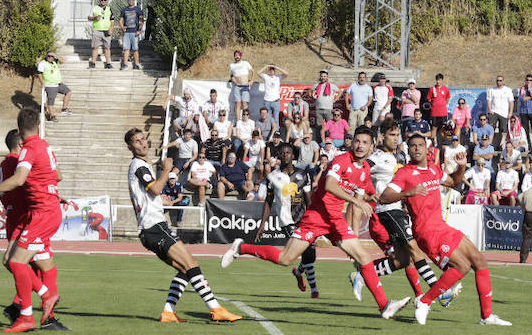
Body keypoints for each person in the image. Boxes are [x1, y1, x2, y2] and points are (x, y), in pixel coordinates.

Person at [221, 126, 411, 320]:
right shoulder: (341, 161)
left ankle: (385, 306)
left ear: (371, 147)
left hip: (335, 219)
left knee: (364, 257)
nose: (360, 146)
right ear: (352, 142)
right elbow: (329, 185)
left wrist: (392, 198)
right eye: (357, 141)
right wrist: (356, 201)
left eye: (364, 143)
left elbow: (364, 196)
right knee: (285, 259)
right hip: (317, 217)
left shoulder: (365, 170)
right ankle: (241, 248)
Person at [381, 133, 511, 326]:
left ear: (427, 149)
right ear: (408, 150)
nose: (416, 148)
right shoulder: (405, 173)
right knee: (462, 266)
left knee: (480, 261)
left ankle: (486, 316)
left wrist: (461, 166)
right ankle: (424, 301)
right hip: (426, 232)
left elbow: (453, 182)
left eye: (420, 145)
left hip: (442, 227)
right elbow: (384, 197)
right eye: (413, 146)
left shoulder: (434, 169)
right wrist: (408, 193)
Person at [124, 128, 241, 323]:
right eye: (137, 141)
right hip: (154, 227)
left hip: (150, 229)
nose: (142, 143)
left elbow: (150, 193)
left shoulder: (140, 165)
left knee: (186, 269)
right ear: (130, 147)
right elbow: (155, 188)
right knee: (192, 265)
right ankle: (216, 309)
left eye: (144, 138)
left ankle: (168, 312)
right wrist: (167, 170)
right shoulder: (139, 166)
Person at [0, 109, 63, 332]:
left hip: (38, 214)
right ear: (39, 127)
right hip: (44, 211)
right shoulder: (45, 146)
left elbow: (19, 179)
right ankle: (37, 313)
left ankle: (36, 307)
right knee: (44, 265)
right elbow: (57, 175)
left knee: (14, 262)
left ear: (19, 128)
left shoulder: (26, 151)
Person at [347, 120, 453, 306]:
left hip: (399, 210)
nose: (396, 139)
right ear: (382, 137)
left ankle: (363, 273)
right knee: (415, 249)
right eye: (391, 135)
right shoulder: (378, 157)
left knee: (403, 260)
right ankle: (439, 291)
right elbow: (361, 170)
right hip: (388, 211)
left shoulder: (401, 156)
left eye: (397, 135)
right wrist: (369, 192)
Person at [224, 142, 322, 297]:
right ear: (279, 156)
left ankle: (298, 272)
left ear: (293, 155)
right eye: (282, 153)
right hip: (286, 220)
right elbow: (268, 202)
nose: (285, 155)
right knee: (302, 250)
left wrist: (314, 219)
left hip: (304, 219)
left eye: (288, 152)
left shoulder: (303, 175)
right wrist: (262, 224)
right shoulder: (272, 177)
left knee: (310, 253)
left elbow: (308, 200)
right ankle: (314, 289)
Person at [0, 128, 68, 330]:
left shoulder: (6, 163)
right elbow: (21, 185)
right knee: (21, 263)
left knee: (44, 266)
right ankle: (35, 308)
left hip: (25, 217)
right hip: (28, 219)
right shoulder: (16, 162)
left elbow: (30, 185)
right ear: (21, 145)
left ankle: (29, 310)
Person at [37, 50, 73, 122]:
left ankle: (64, 108)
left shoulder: (54, 62)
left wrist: (56, 55)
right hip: (50, 85)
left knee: (68, 92)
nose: (50, 57)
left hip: (58, 83)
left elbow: (62, 61)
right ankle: (52, 115)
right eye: (48, 56)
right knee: (51, 101)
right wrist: (42, 83)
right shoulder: (42, 64)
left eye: (51, 56)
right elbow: (39, 74)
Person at [487, 74, 514, 147]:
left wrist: (510, 112)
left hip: (504, 113)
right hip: (494, 112)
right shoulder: (492, 90)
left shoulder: (508, 90)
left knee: (503, 130)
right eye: (497, 80)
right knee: (491, 128)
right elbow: (489, 100)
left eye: (500, 80)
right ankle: (490, 144)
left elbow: (511, 101)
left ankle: (501, 145)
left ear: (503, 81)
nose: (499, 82)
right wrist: (490, 110)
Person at [118, 0, 144, 70]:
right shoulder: (124, 10)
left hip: (134, 32)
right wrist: (122, 27)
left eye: (132, 0)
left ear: (134, 0)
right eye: (129, 0)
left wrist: (139, 30)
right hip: (127, 32)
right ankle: (125, 64)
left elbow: (141, 20)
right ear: (127, 0)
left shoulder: (138, 9)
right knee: (126, 49)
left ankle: (136, 64)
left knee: (135, 49)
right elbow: (120, 20)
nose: (131, 1)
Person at [88, 0, 113, 68]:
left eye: (105, 0)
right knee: (95, 47)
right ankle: (93, 63)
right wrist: (95, 18)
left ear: (107, 1)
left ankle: (108, 63)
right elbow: (89, 18)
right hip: (97, 30)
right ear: (99, 0)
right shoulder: (94, 8)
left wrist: (111, 29)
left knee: (107, 48)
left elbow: (112, 20)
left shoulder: (109, 9)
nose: (103, 1)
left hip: (106, 31)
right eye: (102, 0)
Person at [228, 50, 253, 121]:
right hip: (237, 86)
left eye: (238, 55)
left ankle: (245, 119)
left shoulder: (245, 63)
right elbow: (231, 75)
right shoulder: (232, 65)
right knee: (238, 104)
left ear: (240, 56)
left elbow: (252, 71)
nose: (236, 57)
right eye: (235, 55)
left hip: (245, 86)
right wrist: (233, 79)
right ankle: (238, 120)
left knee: (245, 103)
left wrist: (251, 80)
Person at [517, 74, 532, 148]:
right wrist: (530, 97)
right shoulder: (522, 88)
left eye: (530, 80)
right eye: (527, 80)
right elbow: (522, 99)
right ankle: (528, 144)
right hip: (523, 111)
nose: (528, 81)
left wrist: (530, 90)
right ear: (525, 80)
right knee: (525, 129)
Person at [426, 73, 450, 141]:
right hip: (434, 112)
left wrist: (442, 104)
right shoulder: (432, 89)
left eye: (439, 80)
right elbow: (429, 98)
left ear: (442, 80)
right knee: (434, 127)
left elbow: (447, 98)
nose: (438, 81)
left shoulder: (445, 89)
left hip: (443, 113)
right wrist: (434, 104)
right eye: (437, 80)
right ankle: (433, 142)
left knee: (444, 127)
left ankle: (444, 142)